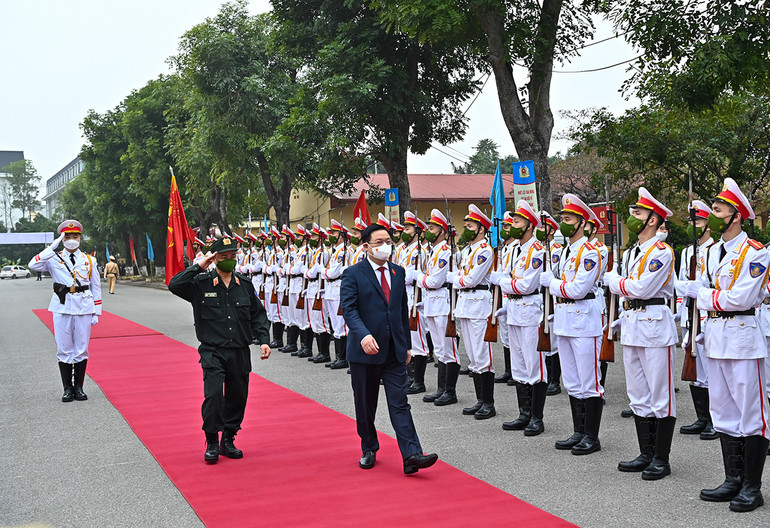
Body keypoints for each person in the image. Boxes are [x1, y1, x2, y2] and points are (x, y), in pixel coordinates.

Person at [680, 178, 770, 512]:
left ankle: (752, 486)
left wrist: (702, 294)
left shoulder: (755, 252)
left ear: (736, 216)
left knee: (751, 413)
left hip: (743, 338)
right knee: (724, 412)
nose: (712, 216)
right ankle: (733, 478)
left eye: (718, 211)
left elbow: (740, 298)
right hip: (715, 337)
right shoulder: (708, 252)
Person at [340, 222, 439, 474]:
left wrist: (406, 345)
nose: (385, 246)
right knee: (365, 403)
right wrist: (363, 335)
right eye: (379, 242)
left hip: (394, 349)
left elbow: (400, 310)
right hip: (365, 350)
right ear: (366, 246)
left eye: (388, 241)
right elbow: (349, 310)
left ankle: (412, 454)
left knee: (400, 402)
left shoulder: (398, 271)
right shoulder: (353, 274)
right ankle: (369, 447)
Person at [168, 236, 271, 464]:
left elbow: (258, 315)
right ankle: (212, 440)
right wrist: (199, 266)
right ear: (214, 259)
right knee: (213, 396)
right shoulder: (201, 283)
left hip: (239, 350)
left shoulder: (244, 284)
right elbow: (174, 285)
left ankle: (228, 438)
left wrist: (264, 340)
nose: (229, 260)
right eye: (224, 257)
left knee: (237, 396)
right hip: (212, 350)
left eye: (233, 256)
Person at [605, 188, 677, 480]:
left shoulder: (661, 251)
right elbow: (631, 289)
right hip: (633, 324)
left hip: (654, 326)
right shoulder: (632, 252)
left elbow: (641, 288)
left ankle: (661, 458)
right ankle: (646, 452)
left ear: (652, 220)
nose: (632, 217)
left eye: (638, 213)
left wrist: (614, 281)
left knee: (661, 394)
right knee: (637, 394)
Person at [540, 194, 604, 455]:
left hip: (584, 319)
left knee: (589, 382)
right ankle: (579, 431)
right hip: (565, 320)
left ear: (582, 223)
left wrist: (552, 284)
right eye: (563, 218)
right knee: (572, 381)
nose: (563, 223)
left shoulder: (590, 252)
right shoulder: (564, 251)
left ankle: (591, 436)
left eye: (568, 219)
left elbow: (578, 289)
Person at [29, 220, 102, 402]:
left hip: (84, 307)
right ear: (61, 239)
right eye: (67, 236)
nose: (71, 239)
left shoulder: (89, 260)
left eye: (75, 236)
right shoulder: (52, 258)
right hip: (62, 307)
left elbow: (96, 287)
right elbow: (33, 265)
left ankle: (79, 388)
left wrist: (96, 311)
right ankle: (67, 389)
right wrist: (51, 247)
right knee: (64, 349)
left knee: (82, 349)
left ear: (80, 238)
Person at [492, 200, 546, 436]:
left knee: (534, 366)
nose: (512, 226)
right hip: (513, 310)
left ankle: (536, 417)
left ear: (530, 226)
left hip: (530, 311)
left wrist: (504, 281)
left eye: (517, 222)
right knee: (519, 366)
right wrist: (507, 282)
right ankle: (524, 413)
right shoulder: (513, 250)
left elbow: (525, 285)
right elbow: (507, 278)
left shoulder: (537, 251)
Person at [447, 204, 496, 420]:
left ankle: (489, 403)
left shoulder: (484, 250)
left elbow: (471, 279)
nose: (466, 229)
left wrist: (455, 279)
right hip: (466, 304)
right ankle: (480, 400)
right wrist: (460, 279)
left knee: (482, 354)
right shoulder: (468, 251)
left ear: (481, 229)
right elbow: (464, 277)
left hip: (479, 304)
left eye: (470, 226)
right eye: (466, 225)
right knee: (473, 356)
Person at [676, 200, 718, 440]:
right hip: (690, 314)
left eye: (698, 221)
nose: (693, 225)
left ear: (708, 225)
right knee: (695, 368)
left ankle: (715, 419)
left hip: (706, 314)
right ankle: (702, 417)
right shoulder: (686, 252)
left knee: (710, 369)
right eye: (691, 221)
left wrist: (697, 288)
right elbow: (680, 283)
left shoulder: (715, 249)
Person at [416, 209, 461, 405]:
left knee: (448, 348)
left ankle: (450, 391)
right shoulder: (433, 251)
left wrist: (419, 277)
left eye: (432, 228)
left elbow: (435, 281)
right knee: (440, 349)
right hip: (432, 302)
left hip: (443, 302)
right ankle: (441, 388)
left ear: (442, 232)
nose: (428, 231)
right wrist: (424, 280)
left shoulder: (445, 252)